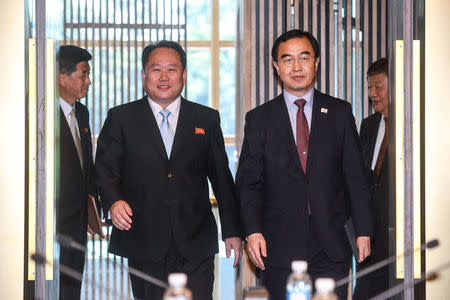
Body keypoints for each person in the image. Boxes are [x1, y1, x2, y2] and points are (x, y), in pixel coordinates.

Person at [94, 40, 243, 300]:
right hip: (143, 239)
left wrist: (232, 230)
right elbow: (105, 170)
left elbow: (221, 177)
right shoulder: (121, 119)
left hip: (196, 241)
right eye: (156, 70)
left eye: (172, 70)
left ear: (183, 75)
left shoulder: (205, 119)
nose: (164, 77)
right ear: (143, 75)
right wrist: (114, 201)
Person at [236, 29, 372, 300]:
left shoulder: (339, 113)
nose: (296, 67)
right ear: (276, 66)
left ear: (317, 63)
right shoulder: (260, 119)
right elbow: (249, 183)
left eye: (304, 58)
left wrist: (364, 230)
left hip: (331, 244)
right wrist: (252, 231)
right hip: (276, 246)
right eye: (287, 60)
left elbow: (355, 177)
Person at [57, 45, 96, 299]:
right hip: (55, 225)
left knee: (73, 288)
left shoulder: (82, 112)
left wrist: (93, 210)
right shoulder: (42, 113)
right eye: (83, 75)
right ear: (62, 77)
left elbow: (87, 167)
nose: (88, 81)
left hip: (79, 223)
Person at [353, 58, 390, 299]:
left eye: (378, 86)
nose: (373, 94)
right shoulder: (368, 126)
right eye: (369, 87)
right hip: (367, 236)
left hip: (398, 236)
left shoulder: (413, 125)